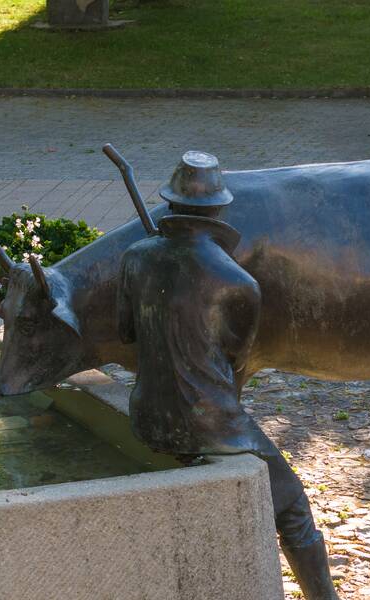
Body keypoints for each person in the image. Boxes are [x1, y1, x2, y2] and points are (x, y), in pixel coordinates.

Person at [117, 151, 338, 600]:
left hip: (146, 416)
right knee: (293, 506)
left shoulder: (135, 257)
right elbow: (237, 359)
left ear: (170, 205)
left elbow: (127, 332)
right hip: (209, 425)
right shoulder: (238, 282)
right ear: (220, 210)